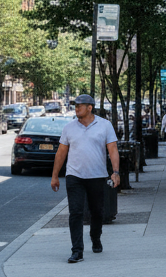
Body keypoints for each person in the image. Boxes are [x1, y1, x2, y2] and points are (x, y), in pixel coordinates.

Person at [50, 94, 121, 264]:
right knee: (75, 212)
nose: (76, 108)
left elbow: (112, 150)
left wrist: (116, 172)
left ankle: (95, 238)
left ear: (90, 107)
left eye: (79, 106)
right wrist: (55, 176)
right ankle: (77, 250)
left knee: (97, 211)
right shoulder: (69, 128)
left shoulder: (105, 125)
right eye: (75, 106)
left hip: (97, 176)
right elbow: (61, 152)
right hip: (74, 176)